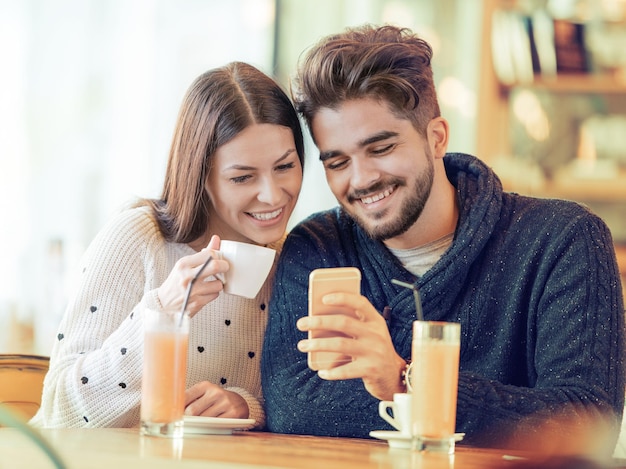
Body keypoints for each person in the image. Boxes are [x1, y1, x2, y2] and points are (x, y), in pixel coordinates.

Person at [261, 24, 625, 450]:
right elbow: (294, 406)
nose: (360, 179)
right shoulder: (317, 246)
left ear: (436, 137)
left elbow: (586, 424)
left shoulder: (564, 240)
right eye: (338, 161)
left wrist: (403, 378)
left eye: (381, 149)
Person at [31, 61, 304, 428]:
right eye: (242, 177)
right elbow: (59, 408)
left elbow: (299, 405)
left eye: (285, 167)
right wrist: (162, 310)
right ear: (200, 175)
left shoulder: (294, 261)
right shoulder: (139, 238)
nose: (272, 196)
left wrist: (244, 407)